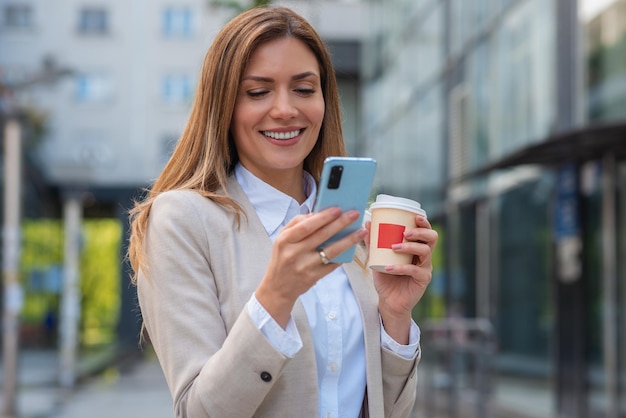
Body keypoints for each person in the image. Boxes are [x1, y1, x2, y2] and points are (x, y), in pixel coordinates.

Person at [128, 5, 438, 418]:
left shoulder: (353, 229)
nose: (286, 109)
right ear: (224, 105)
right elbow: (197, 410)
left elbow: (389, 410)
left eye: (304, 89)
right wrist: (276, 295)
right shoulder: (182, 221)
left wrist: (396, 317)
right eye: (258, 92)